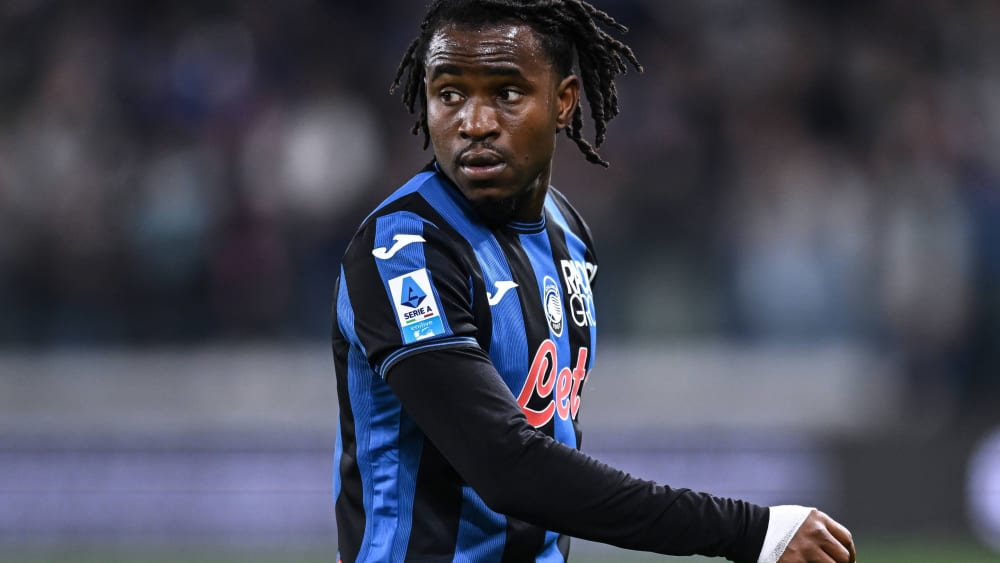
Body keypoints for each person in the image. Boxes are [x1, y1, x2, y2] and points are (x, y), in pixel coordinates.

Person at [331, 1, 857, 561]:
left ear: (563, 102)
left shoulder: (569, 235)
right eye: (450, 94)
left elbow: (552, 454)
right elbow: (506, 466)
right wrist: (751, 531)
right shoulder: (403, 251)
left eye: (507, 93)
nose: (475, 123)